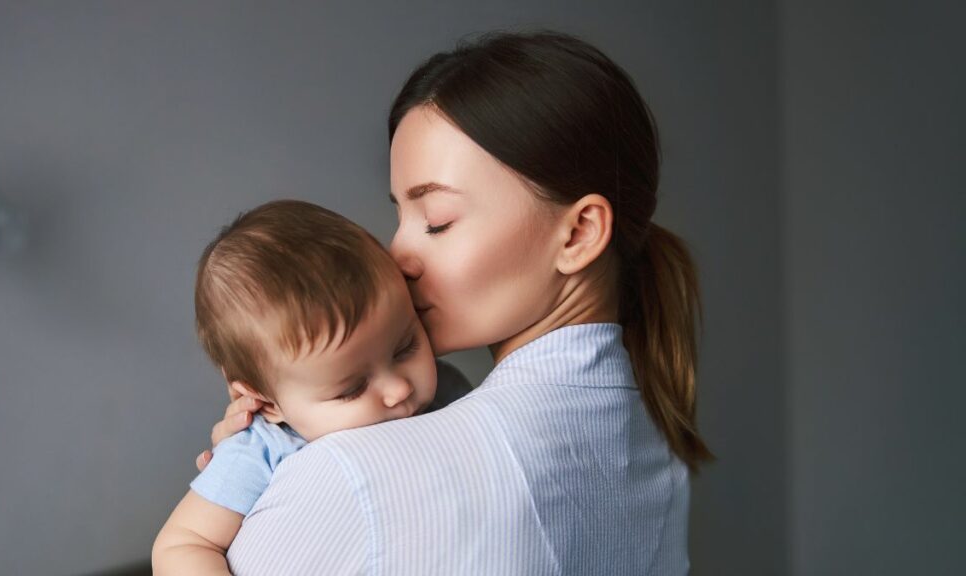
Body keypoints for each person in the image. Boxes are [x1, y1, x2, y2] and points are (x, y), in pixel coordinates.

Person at [200, 30, 712, 574]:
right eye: (400, 216)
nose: (397, 256)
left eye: (437, 221)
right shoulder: (657, 451)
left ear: (579, 233)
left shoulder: (351, 473)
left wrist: (268, 472)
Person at [152, 200, 470, 574]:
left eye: (405, 347)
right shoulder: (262, 448)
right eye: (351, 389)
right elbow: (183, 543)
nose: (398, 389)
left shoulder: (448, 390)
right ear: (268, 403)